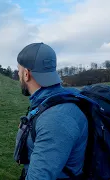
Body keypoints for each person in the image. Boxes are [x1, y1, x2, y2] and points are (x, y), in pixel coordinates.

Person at [16, 42, 88, 179]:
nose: (18, 75)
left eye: (18, 70)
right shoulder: (49, 102)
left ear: (26, 74)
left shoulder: (56, 118)